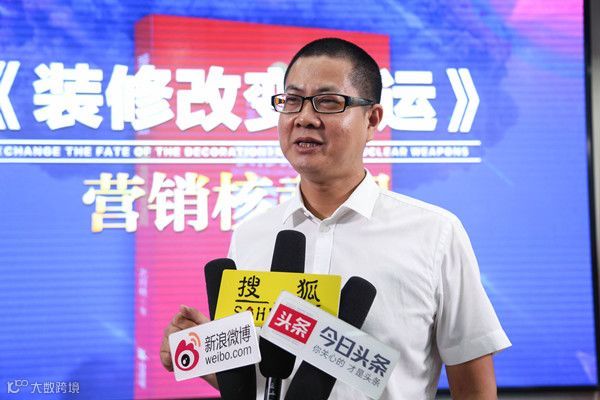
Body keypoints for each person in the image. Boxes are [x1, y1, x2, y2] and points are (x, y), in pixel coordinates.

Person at [160, 37, 511, 399]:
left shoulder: (435, 234)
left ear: (372, 119)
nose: (304, 118)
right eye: (292, 100)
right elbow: (263, 382)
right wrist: (201, 352)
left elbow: (474, 385)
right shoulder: (252, 234)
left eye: (328, 102)